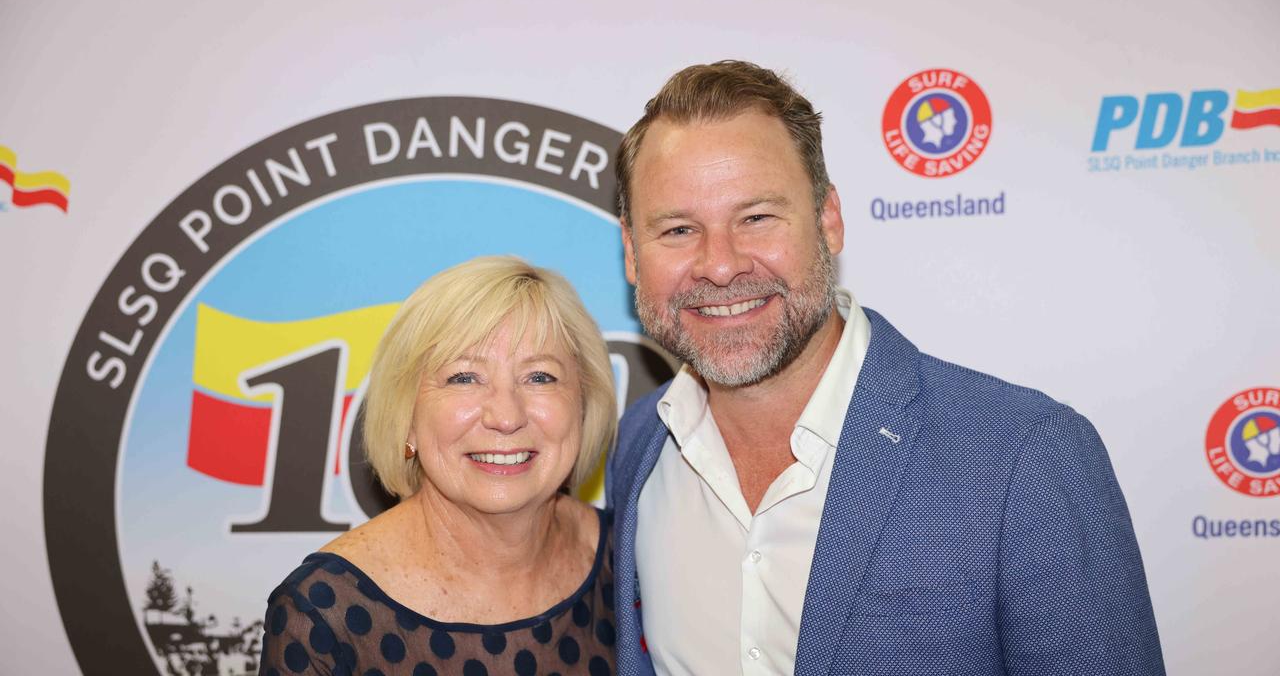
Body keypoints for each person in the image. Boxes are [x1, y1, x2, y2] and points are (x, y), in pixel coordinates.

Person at [606, 61, 1165, 676]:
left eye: (757, 217)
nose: (719, 265)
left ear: (828, 220)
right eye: (679, 229)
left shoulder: (1023, 457)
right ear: (633, 253)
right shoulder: (638, 448)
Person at [260, 256, 619, 676]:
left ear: (583, 404)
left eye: (540, 377)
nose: (506, 416)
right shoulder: (324, 615)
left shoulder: (630, 558)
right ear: (407, 415)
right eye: (464, 377)